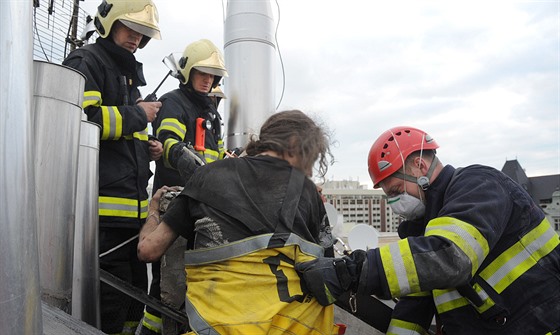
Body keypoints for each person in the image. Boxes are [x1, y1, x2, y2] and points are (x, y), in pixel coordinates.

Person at [296, 126, 560, 335]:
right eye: (389, 197)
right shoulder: (426, 230)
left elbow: (450, 258)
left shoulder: (478, 185)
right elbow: (413, 308)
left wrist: (351, 271)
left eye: (397, 192)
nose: (395, 204)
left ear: (420, 166)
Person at [137, 110, 343, 335]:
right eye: (310, 157)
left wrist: (154, 209)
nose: (310, 170)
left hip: (210, 329)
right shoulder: (307, 192)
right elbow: (328, 276)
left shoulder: (206, 175)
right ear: (294, 144)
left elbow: (148, 250)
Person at [62, 0, 163, 333]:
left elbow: (117, 140)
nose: (136, 38)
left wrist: (145, 149)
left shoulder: (125, 74)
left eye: (142, 34)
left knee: (133, 299)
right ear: (108, 23)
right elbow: (81, 118)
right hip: (100, 216)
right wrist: (139, 115)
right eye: (130, 28)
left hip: (130, 218)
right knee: (107, 301)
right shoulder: (87, 60)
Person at [139, 39, 228, 335]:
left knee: (194, 279)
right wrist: (178, 153)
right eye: (202, 72)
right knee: (167, 282)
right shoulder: (175, 102)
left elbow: (216, 156)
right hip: (174, 204)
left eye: (212, 75)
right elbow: (167, 140)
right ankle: (154, 330)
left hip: (204, 208)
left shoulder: (212, 114)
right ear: (188, 71)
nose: (207, 80)